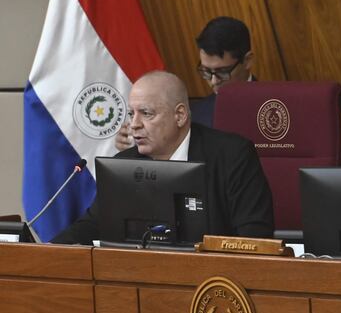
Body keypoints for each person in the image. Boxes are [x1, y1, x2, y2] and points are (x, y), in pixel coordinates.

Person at [52, 71, 274, 244]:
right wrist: (47, 252)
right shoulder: (125, 165)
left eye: (146, 113)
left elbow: (255, 237)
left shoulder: (233, 155)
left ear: (179, 115)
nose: (134, 124)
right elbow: (93, 224)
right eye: (132, 114)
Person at [114, 16, 254, 150]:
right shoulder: (194, 116)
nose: (213, 81)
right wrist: (134, 146)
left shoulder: (273, 106)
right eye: (206, 71)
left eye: (222, 72)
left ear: (247, 61)